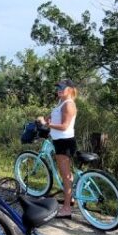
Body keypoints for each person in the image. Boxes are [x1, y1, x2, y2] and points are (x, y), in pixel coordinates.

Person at [39, 79, 78, 218]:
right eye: (58, 87)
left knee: (65, 176)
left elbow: (64, 126)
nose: (59, 90)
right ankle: (70, 198)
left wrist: (47, 125)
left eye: (62, 87)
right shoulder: (61, 102)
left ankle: (66, 208)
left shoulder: (69, 105)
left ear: (70, 89)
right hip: (59, 141)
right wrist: (43, 120)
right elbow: (51, 117)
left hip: (64, 142)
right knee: (66, 174)